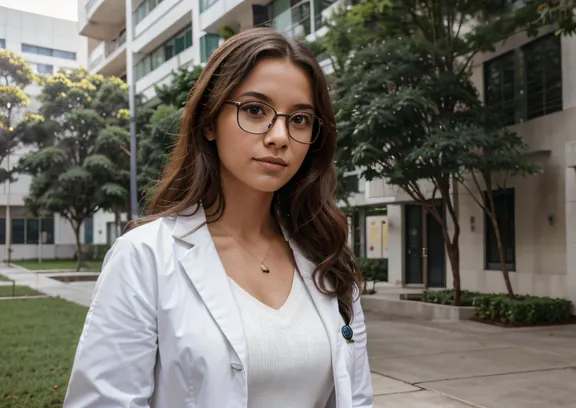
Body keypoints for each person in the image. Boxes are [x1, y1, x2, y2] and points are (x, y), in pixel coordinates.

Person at [63, 27, 373, 408]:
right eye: (255, 110)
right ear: (209, 121)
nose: (279, 136)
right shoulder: (145, 257)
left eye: (300, 119)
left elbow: (357, 399)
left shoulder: (329, 259)